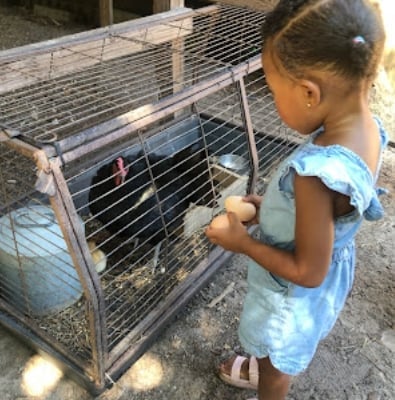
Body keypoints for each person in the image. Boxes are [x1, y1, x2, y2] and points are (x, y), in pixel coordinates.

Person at [205, 0, 389, 399]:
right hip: (327, 271)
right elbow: (326, 217)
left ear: (308, 92)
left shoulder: (315, 177)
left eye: (272, 91)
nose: (271, 100)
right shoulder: (369, 129)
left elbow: (308, 271)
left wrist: (243, 243)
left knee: (276, 367)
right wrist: (271, 207)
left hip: (291, 297)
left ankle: (267, 378)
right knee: (277, 354)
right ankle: (266, 363)